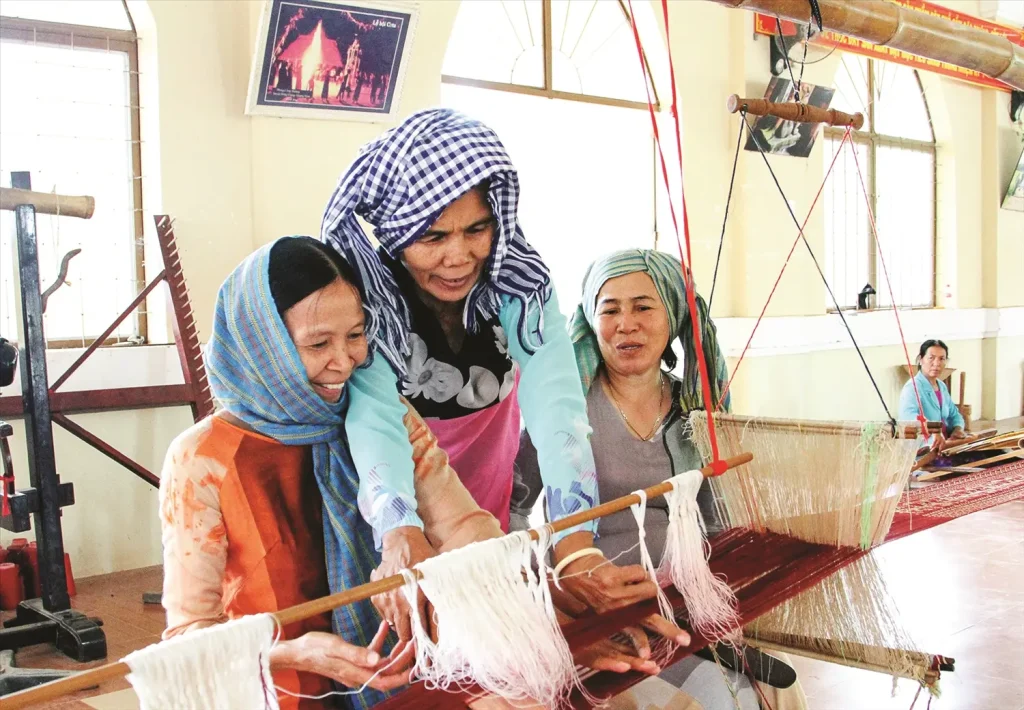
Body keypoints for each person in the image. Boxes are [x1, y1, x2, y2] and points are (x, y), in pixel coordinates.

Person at [321, 109, 663, 640]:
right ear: (394, 233)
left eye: (477, 229)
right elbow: (375, 419)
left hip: (488, 510)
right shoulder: (371, 305)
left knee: (502, 636)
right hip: (399, 514)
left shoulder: (519, 286)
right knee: (420, 649)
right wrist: (399, 527)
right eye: (432, 237)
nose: (459, 256)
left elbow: (558, 411)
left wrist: (576, 545)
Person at [159, 236, 505, 709]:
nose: (344, 362)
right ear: (263, 344)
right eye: (318, 343)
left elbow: (467, 530)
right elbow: (188, 637)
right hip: (276, 694)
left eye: (356, 335)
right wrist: (291, 653)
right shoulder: (202, 459)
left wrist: (545, 584)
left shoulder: (384, 418)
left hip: (401, 680)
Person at [512, 249, 807, 710]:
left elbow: (719, 521)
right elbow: (510, 506)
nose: (625, 324)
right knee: (711, 702)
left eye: (643, 307)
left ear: (673, 317)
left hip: (687, 607)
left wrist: (728, 597)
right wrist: (547, 593)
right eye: (610, 310)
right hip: (596, 616)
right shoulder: (563, 412)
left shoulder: (695, 409)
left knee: (771, 690)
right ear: (591, 320)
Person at [898, 339, 966, 449]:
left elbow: (954, 414)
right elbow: (908, 417)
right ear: (920, 360)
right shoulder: (912, 387)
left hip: (945, 445)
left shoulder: (941, 386)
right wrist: (933, 431)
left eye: (941, 359)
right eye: (931, 358)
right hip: (923, 448)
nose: (936, 363)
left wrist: (958, 428)